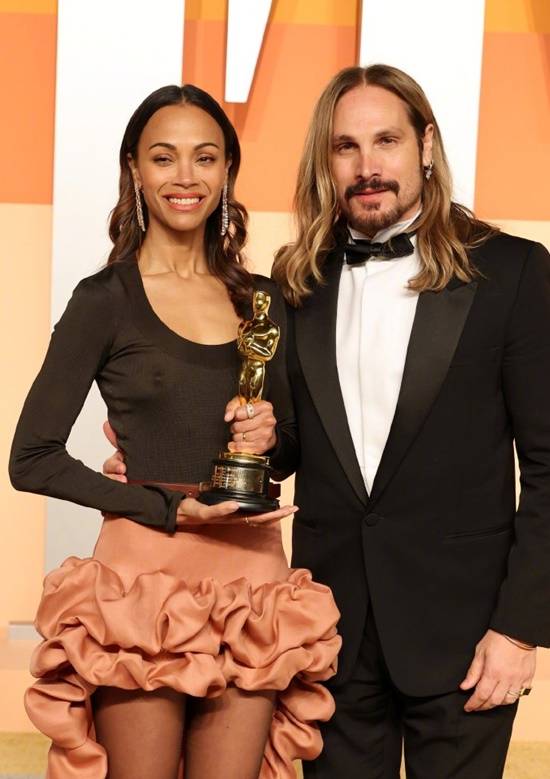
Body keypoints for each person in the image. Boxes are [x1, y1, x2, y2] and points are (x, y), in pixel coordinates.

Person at [9, 84, 341, 779]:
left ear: (227, 170)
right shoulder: (105, 300)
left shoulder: (263, 301)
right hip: (143, 581)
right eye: (164, 158)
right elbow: (31, 458)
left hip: (251, 581)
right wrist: (166, 506)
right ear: (134, 168)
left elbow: (288, 453)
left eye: (204, 157)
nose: (185, 177)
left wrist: (268, 436)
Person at [267, 64, 550, 778]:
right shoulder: (296, 282)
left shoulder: (512, 272)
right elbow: (286, 447)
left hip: (468, 638)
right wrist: (167, 449)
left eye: (386, 141)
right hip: (331, 633)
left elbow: (549, 466)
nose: (367, 166)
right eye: (346, 146)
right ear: (326, 161)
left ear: (425, 145)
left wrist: (520, 628)